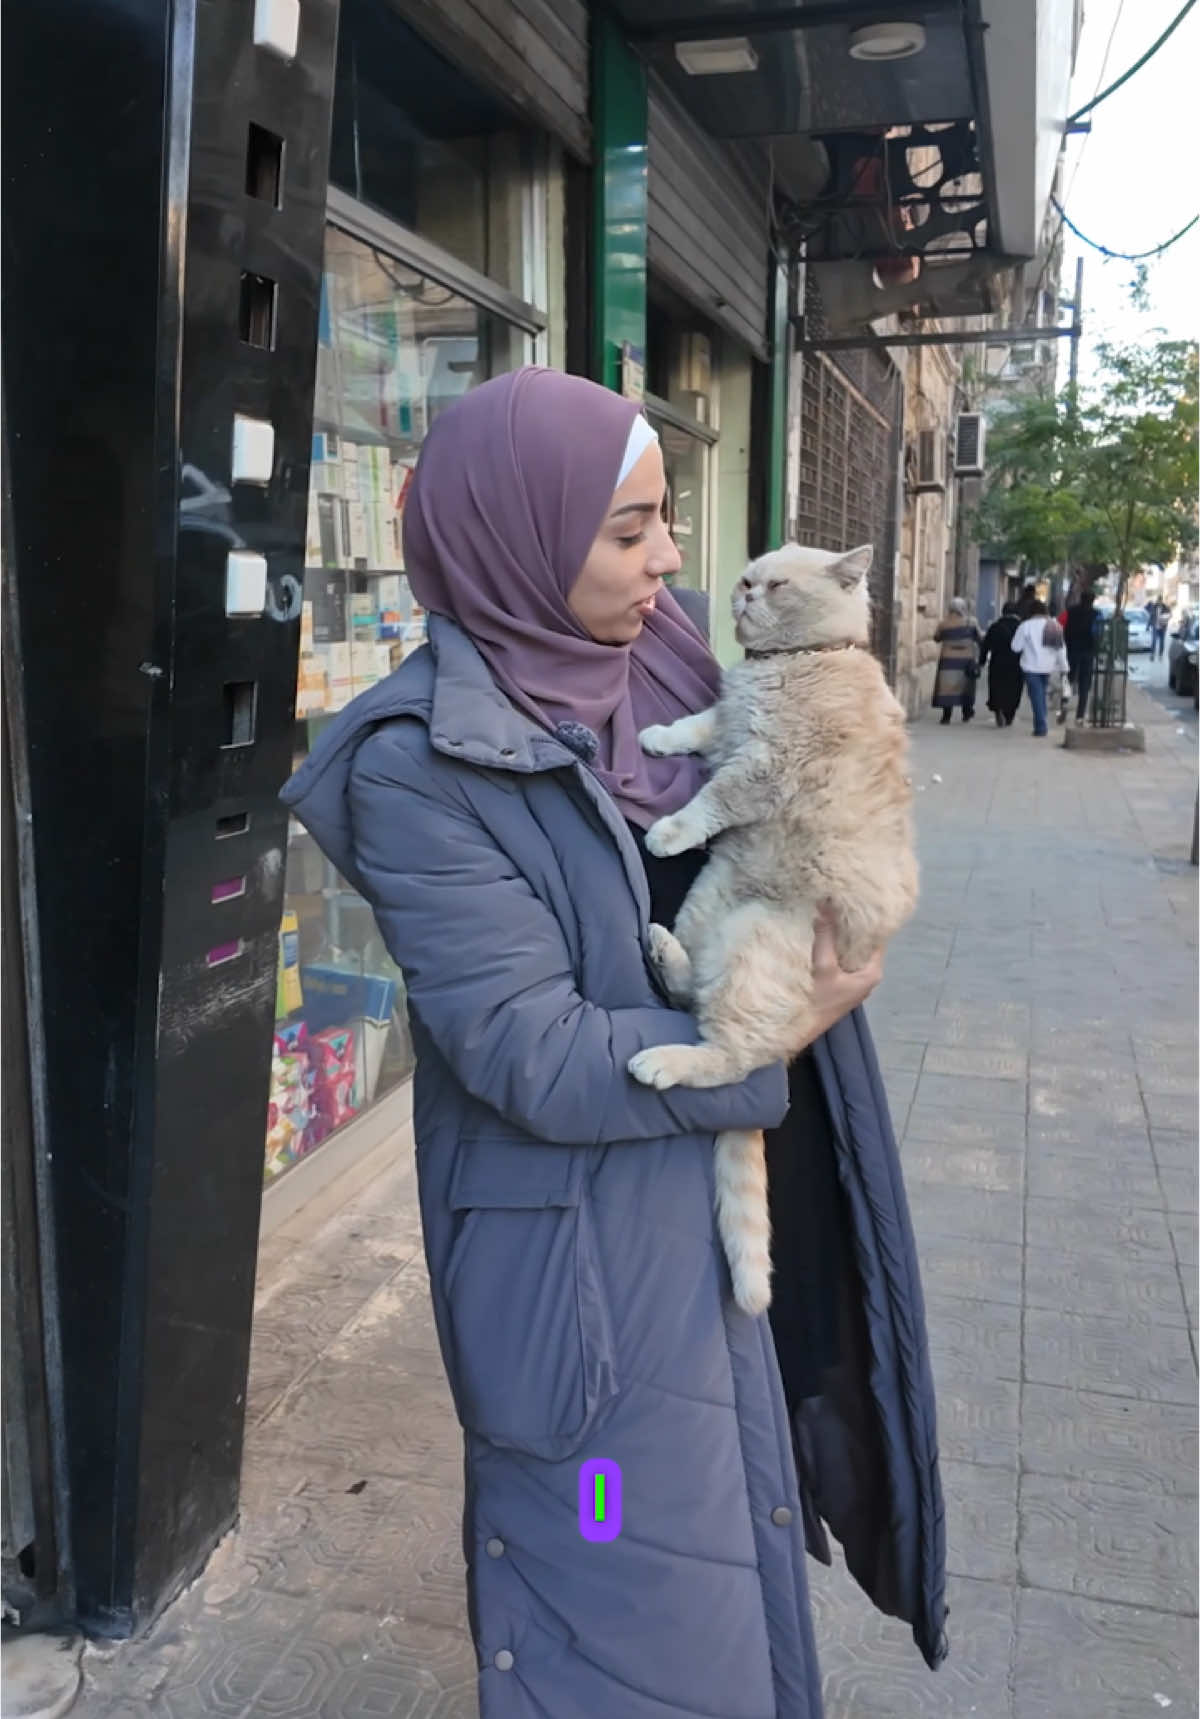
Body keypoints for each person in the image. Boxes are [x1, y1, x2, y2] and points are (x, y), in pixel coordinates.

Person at [281, 368, 946, 1716]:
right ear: (518, 532)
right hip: (579, 1263)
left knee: (735, 1532)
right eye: (628, 530)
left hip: (722, 1187)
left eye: (668, 520)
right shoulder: (421, 762)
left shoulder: (675, 655)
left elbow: (795, 807)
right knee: (611, 1549)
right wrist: (770, 1037)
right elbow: (525, 1046)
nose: (668, 561)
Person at [1011, 598, 1071, 737]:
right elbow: (1060, 649)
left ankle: (1041, 727)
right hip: (1048, 667)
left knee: (1037, 696)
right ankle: (1041, 722)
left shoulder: (1026, 626)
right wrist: (1064, 668)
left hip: (1031, 667)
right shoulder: (1054, 625)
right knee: (1041, 695)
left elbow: (1015, 647)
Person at [932, 596, 982, 723]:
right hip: (967, 659)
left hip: (948, 660)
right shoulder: (972, 622)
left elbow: (936, 638)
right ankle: (966, 713)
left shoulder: (943, 624)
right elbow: (979, 638)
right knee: (966, 687)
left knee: (947, 687)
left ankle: (946, 716)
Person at [978, 600, 1024, 726]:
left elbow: (986, 645)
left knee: (996, 687)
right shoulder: (1021, 627)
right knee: (1014, 689)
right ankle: (1010, 714)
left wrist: (981, 661)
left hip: (998, 662)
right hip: (1017, 663)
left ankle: (998, 708)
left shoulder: (995, 626)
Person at [1064, 588, 1100, 725]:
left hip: (1072, 650)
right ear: (1092, 600)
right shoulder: (1096, 614)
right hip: (1088, 652)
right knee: (1084, 685)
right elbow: (1098, 633)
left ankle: (1064, 705)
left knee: (1069, 679)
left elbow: (1066, 630)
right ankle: (1080, 715)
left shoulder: (1071, 612)